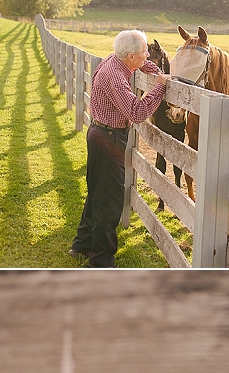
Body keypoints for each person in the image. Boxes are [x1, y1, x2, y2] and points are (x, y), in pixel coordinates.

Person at [69, 29, 169, 266]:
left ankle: (82, 243)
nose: (148, 55)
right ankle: (101, 259)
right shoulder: (115, 76)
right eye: (144, 52)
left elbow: (142, 65)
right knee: (110, 200)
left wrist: (155, 71)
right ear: (131, 56)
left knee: (97, 193)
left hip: (100, 134)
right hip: (109, 139)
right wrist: (160, 87)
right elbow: (136, 112)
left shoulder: (115, 61)